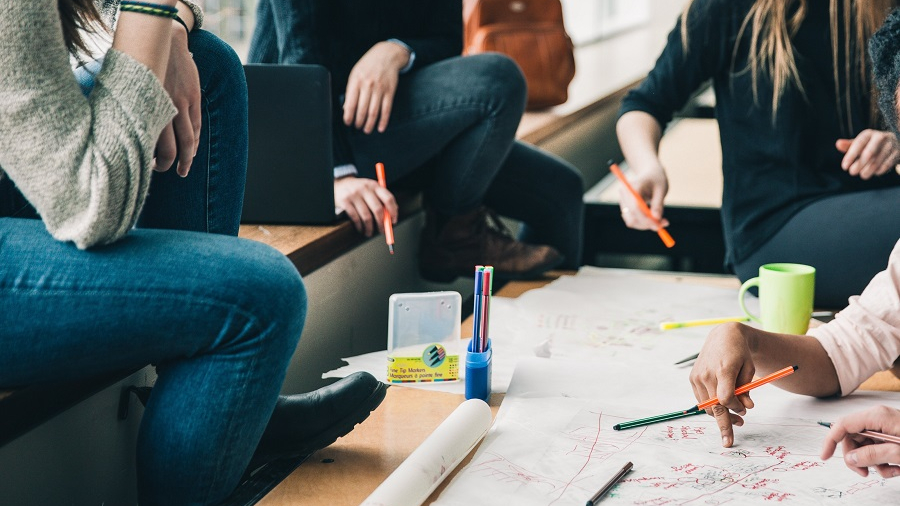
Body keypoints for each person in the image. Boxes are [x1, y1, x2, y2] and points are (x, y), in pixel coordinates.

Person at [0, 2, 385, 505]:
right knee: (259, 296)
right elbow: (95, 206)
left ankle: (228, 415)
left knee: (209, 62)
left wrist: (174, 26)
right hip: (77, 200)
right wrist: (154, 9)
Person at [246, 0, 585, 282]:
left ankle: (532, 340)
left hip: (393, 123)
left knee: (562, 189)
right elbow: (300, 58)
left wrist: (395, 51)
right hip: (309, 133)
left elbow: (447, 40)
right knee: (498, 76)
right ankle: (455, 236)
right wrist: (334, 174)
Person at [616, 0, 900, 309]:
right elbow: (643, 105)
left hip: (878, 206)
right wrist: (646, 167)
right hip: (776, 229)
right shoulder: (728, 8)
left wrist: (896, 139)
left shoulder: (886, 7)